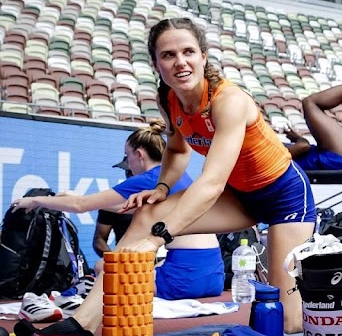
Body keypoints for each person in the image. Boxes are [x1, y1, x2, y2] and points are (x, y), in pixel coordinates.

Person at [15, 18, 316, 336]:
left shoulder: (228, 101)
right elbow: (176, 149)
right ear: (157, 64)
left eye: (188, 51)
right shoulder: (170, 100)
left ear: (203, 57)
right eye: (168, 55)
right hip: (241, 196)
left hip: (285, 197)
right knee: (146, 213)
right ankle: (80, 326)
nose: (180, 61)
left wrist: (159, 238)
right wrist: (160, 189)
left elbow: (212, 182)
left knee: (287, 318)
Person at [9, 120, 225, 309]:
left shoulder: (150, 179)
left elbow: (81, 204)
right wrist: (70, 196)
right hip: (214, 275)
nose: (127, 162)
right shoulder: (177, 177)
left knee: (102, 267)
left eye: (127, 156)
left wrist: (34, 201)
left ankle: (80, 299)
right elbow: (125, 207)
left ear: (139, 154)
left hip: (182, 279)